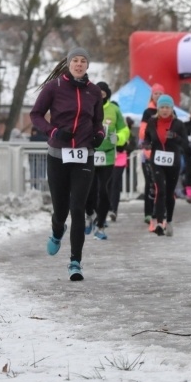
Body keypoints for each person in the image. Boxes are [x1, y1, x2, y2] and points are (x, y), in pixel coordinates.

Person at [29, 47, 105, 281]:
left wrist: (99, 135)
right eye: (75, 60)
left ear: (87, 66)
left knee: (78, 208)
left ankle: (75, 262)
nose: (79, 64)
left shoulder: (93, 92)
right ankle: (56, 230)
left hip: (84, 154)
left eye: (83, 61)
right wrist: (52, 131)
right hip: (58, 154)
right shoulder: (54, 87)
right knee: (61, 209)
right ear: (69, 64)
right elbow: (36, 114)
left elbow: (98, 122)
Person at [84, 81, 129, 240]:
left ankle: (101, 224)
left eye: (104, 91)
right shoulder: (88, 106)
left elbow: (124, 129)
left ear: (107, 94)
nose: (101, 93)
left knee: (103, 190)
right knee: (89, 190)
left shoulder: (114, 110)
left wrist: (119, 138)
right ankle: (89, 214)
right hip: (90, 154)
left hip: (108, 156)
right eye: (98, 91)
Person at [142, 93, 189, 236]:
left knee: (169, 193)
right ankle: (160, 222)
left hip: (173, 162)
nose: (164, 110)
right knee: (160, 190)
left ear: (172, 109)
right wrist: (147, 144)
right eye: (162, 107)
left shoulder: (178, 124)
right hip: (156, 161)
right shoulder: (151, 122)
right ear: (157, 108)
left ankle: (169, 220)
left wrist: (175, 137)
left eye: (167, 107)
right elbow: (147, 138)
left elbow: (186, 144)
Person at [138, 83, 165, 226]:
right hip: (149, 153)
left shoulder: (169, 111)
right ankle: (148, 213)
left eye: (161, 94)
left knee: (162, 184)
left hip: (165, 153)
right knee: (150, 183)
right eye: (156, 94)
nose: (158, 96)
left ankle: (161, 212)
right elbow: (142, 133)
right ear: (152, 95)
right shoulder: (147, 112)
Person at [109, 116, 136, 221]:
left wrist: (124, 145)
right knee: (106, 184)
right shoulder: (107, 128)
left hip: (120, 160)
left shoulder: (125, 130)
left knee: (115, 183)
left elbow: (132, 145)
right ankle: (106, 207)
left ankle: (114, 210)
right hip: (107, 159)